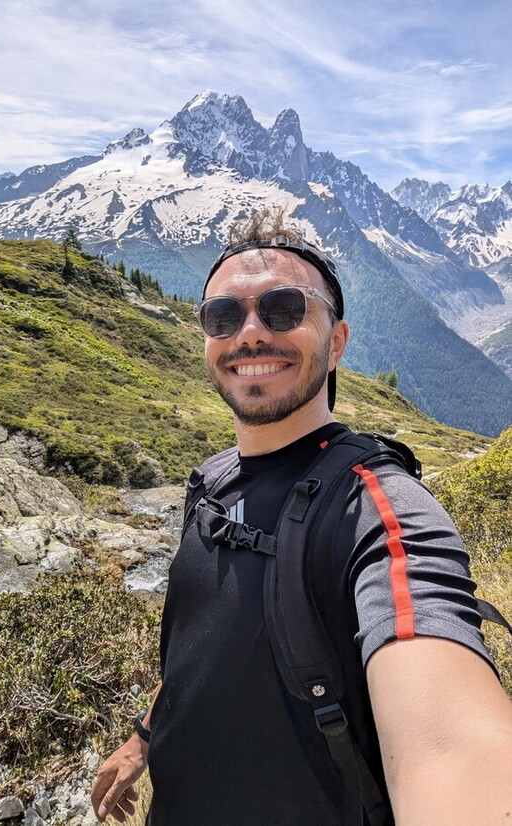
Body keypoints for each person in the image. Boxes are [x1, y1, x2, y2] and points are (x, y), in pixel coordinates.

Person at [91, 209, 512, 825]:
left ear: (337, 341)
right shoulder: (211, 482)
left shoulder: (377, 506)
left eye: (285, 309)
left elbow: (451, 749)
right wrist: (141, 738)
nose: (251, 333)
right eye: (224, 316)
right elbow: (199, 646)